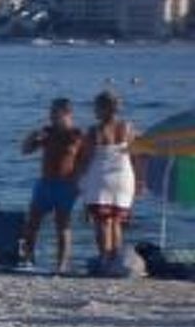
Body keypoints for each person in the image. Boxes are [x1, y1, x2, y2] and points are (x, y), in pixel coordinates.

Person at [75, 89, 139, 269]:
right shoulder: (128, 127)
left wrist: (79, 179)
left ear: (104, 108)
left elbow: (86, 159)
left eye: (96, 107)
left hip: (100, 178)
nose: (94, 111)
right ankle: (116, 261)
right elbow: (137, 154)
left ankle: (104, 259)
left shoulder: (94, 131)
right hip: (124, 177)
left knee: (102, 222)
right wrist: (139, 181)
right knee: (116, 222)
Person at [19, 96, 84, 272]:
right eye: (51, 112)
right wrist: (32, 136)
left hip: (66, 185)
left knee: (62, 225)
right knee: (31, 224)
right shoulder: (47, 132)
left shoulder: (77, 134)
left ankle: (61, 265)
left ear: (67, 114)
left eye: (55, 112)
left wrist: (79, 184)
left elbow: (84, 162)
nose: (51, 115)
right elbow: (25, 151)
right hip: (45, 183)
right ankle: (28, 259)